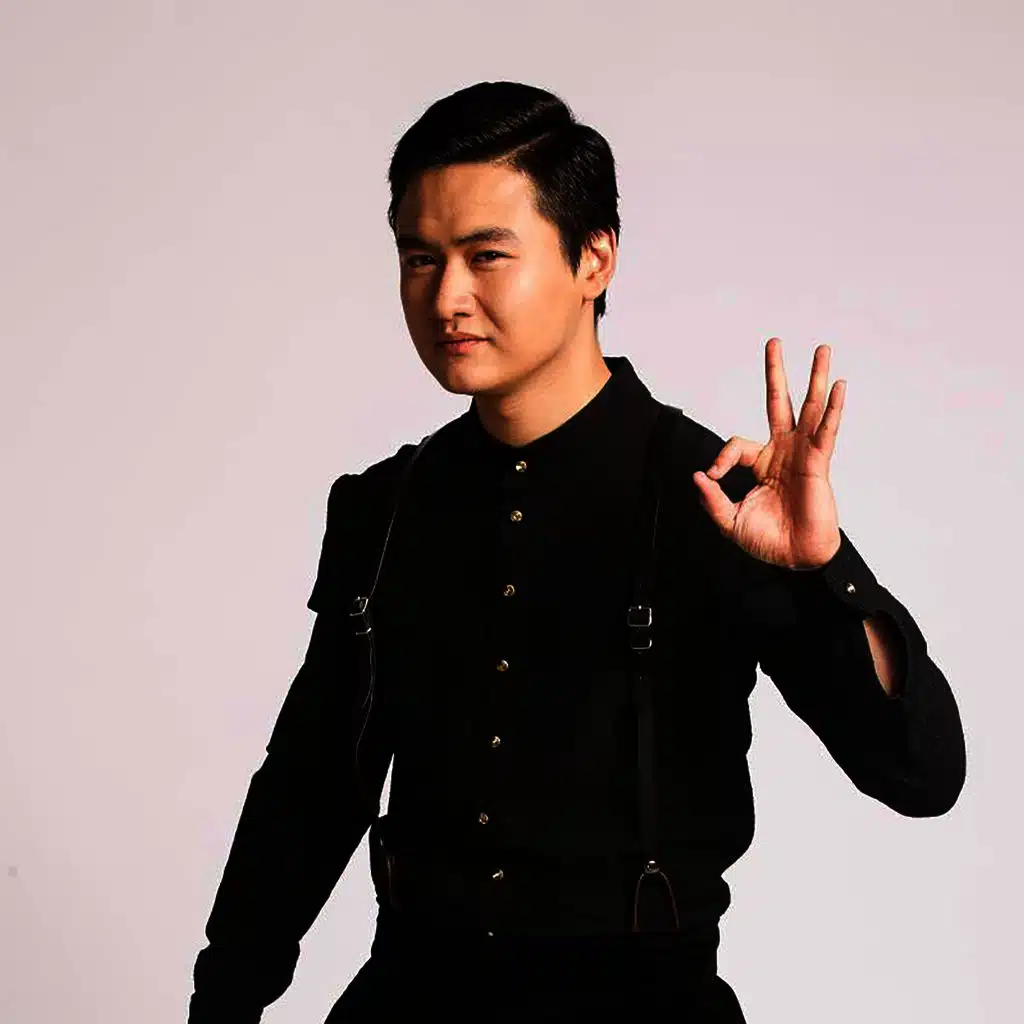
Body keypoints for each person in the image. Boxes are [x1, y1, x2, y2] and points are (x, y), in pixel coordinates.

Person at [186, 81, 966, 1022]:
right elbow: (310, 787)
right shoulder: (383, 508)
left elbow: (923, 775)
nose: (446, 297)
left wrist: (826, 571)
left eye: (486, 256)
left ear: (594, 258)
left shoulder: (716, 500)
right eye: (420, 258)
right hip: (409, 996)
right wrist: (223, 1001)